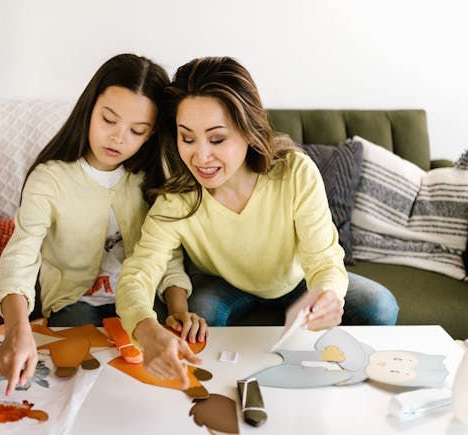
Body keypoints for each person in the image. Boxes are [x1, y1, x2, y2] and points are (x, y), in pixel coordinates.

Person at [116, 56, 399, 387]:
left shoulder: (295, 173)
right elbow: (138, 274)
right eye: (187, 138)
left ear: (248, 131)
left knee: (380, 305)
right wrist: (145, 330)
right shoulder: (176, 199)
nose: (201, 157)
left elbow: (324, 259)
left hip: (294, 279)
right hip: (224, 282)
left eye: (217, 139)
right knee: (200, 315)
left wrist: (329, 295)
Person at [0, 53, 206, 397]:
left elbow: (167, 256)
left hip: (143, 306)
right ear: (89, 109)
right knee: (76, 387)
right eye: (109, 120)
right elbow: (21, 256)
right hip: (74, 304)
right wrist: (16, 328)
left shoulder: (150, 178)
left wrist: (179, 310)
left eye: (137, 131)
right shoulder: (50, 179)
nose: (118, 138)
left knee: (166, 387)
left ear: (150, 135)